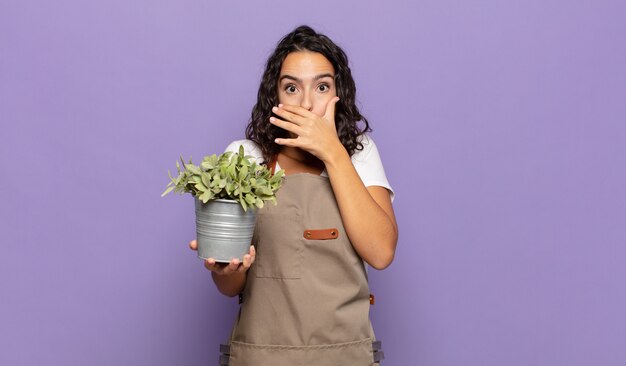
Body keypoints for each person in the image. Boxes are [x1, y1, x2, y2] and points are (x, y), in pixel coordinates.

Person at [188, 25, 398, 365]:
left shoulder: (359, 155)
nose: (306, 104)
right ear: (275, 97)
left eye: (321, 86)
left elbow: (381, 252)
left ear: (338, 93)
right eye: (291, 88)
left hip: (344, 356)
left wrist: (333, 152)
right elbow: (230, 286)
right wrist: (225, 269)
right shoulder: (245, 157)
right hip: (262, 355)